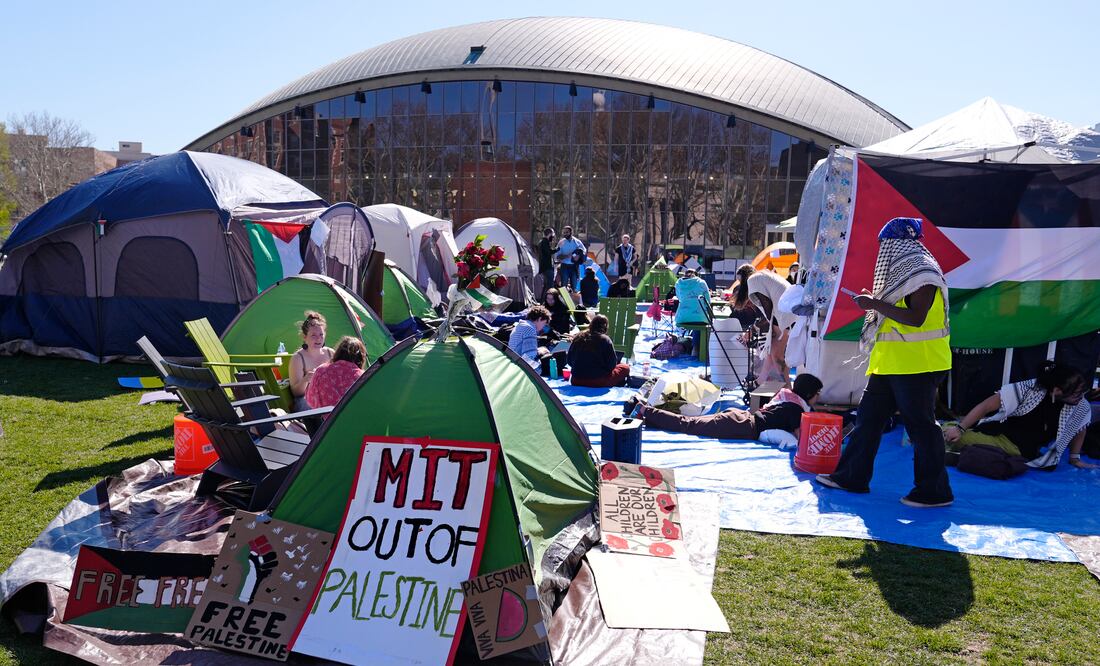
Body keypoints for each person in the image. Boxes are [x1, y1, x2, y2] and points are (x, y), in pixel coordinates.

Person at [816, 217, 954, 508]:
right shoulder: (908, 273)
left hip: (919, 365)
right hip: (891, 365)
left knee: (921, 427)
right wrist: (875, 303)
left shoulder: (924, 273)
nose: (882, 252)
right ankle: (851, 477)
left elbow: (916, 318)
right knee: (867, 421)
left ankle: (935, 491)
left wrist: (875, 304)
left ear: (898, 245)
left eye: (886, 245)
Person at [943, 361, 1096, 469]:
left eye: (1083, 392)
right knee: (951, 430)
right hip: (1002, 434)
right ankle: (972, 454)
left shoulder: (1080, 405)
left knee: (946, 431)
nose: (1081, 397)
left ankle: (965, 455)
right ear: (1056, 391)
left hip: (1015, 447)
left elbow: (1080, 427)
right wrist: (960, 428)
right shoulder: (1029, 389)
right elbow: (986, 406)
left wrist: (1075, 458)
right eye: (1077, 394)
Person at [632, 374, 823, 439]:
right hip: (739, 425)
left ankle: (649, 416)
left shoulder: (788, 399)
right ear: (808, 394)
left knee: (689, 423)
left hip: (739, 418)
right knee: (687, 424)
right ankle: (645, 410)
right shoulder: (797, 411)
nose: (819, 397)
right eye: (817, 393)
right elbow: (802, 439)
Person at [746, 270, 795, 387]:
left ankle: (787, 389)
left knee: (777, 355)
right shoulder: (764, 277)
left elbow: (767, 307)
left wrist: (759, 328)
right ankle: (759, 381)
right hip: (788, 312)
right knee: (771, 351)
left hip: (785, 316)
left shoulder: (754, 281)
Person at [305, 336, 366, 414]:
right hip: (355, 421)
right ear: (361, 357)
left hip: (327, 424)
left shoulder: (321, 370)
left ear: (338, 352)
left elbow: (310, 401)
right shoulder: (363, 377)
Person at [567, 314, 630, 388]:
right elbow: (611, 365)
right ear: (605, 327)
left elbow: (569, 361)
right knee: (625, 367)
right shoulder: (605, 339)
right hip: (598, 381)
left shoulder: (578, 337)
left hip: (576, 380)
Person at [289, 311, 334, 411]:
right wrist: (306, 379)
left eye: (321, 335)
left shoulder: (331, 353)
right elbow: (296, 393)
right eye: (313, 335)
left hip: (329, 396)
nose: (318, 338)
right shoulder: (298, 358)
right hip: (306, 400)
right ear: (304, 337)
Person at [537, 227, 556, 300]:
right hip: (547, 267)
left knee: (546, 286)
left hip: (544, 267)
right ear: (550, 234)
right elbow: (549, 252)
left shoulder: (542, 242)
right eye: (552, 234)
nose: (553, 236)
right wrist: (557, 249)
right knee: (549, 286)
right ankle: (547, 302)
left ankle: (543, 302)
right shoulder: (545, 242)